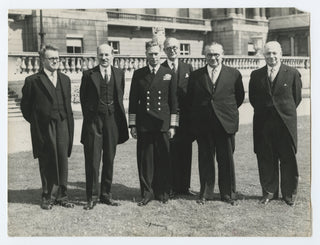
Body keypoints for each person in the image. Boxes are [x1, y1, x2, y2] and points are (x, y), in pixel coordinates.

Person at [186, 42, 244, 205]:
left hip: (225, 124)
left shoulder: (234, 74)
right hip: (203, 125)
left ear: (222, 55)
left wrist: (223, 112)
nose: (213, 58)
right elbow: (190, 99)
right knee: (205, 159)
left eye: (216, 54)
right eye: (210, 55)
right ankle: (206, 193)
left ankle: (228, 194)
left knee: (226, 160)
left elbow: (238, 98)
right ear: (205, 56)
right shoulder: (196, 75)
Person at [20, 44, 74, 210]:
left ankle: (62, 196)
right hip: (44, 127)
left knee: (62, 159)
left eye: (57, 58)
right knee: (47, 159)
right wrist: (38, 121)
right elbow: (26, 107)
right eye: (52, 58)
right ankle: (47, 197)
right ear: (43, 60)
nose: (56, 61)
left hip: (63, 123)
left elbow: (67, 105)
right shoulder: (32, 81)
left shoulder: (65, 79)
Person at [249, 41, 302, 206]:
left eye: (274, 53)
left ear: (280, 54)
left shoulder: (292, 73)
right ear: (264, 55)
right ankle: (269, 192)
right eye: (268, 54)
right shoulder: (256, 75)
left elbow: (296, 98)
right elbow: (253, 99)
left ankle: (288, 195)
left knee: (288, 159)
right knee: (266, 158)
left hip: (285, 124)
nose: (271, 57)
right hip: (264, 124)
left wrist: (283, 112)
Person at [80, 44, 129, 210]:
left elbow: (119, 95)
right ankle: (92, 197)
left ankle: (106, 194)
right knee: (93, 160)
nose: (104, 58)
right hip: (94, 121)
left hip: (112, 121)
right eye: (101, 55)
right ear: (97, 56)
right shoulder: (88, 75)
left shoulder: (119, 73)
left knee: (109, 159)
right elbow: (83, 99)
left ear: (112, 55)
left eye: (107, 55)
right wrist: (91, 118)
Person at [128, 40, 178, 206]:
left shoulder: (168, 72)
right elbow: (133, 102)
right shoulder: (138, 74)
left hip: (162, 123)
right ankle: (147, 192)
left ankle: (163, 191)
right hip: (144, 124)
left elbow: (173, 103)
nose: (154, 57)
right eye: (150, 54)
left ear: (160, 54)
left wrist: (173, 125)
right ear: (146, 55)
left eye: (156, 53)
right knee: (145, 160)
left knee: (164, 158)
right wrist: (133, 125)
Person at [162, 37, 195, 197]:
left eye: (175, 47)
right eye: (169, 48)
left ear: (179, 48)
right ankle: (170, 187)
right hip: (167, 119)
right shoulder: (160, 68)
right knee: (169, 153)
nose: (172, 50)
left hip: (186, 119)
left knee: (185, 153)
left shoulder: (188, 67)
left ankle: (184, 187)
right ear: (164, 50)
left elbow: (193, 93)